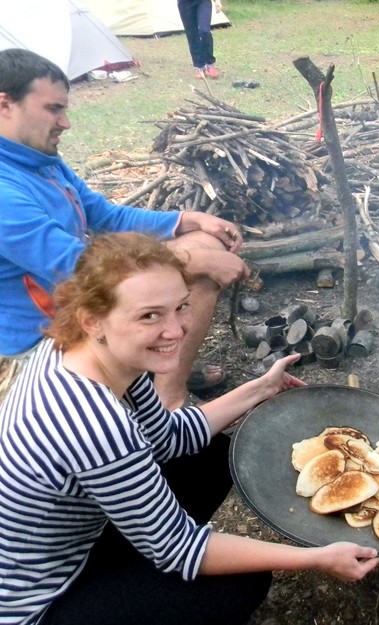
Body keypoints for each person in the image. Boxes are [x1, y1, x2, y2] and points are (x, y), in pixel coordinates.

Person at [0, 232, 379, 625]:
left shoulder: (83, 350)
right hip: (39, 606)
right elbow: (180, 550)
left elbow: (168, 437)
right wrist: (315, 557)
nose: (177, 330)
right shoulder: (94, 425)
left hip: (71, 544)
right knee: (240, 584)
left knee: (209, 455)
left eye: (180, 307)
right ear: (93, 319)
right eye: (150, 315)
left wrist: (260, 388)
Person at [0, 48, 248, 409]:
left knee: (203, 241)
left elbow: (103, 214)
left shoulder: (39, 162)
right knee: (197, 268)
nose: (65, 122)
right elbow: (73, 264)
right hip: (41, 338)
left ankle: (157, 370)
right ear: (4, 105)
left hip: (78, 303)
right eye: (54, 109)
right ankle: (166, 399)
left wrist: (185, 221)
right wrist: (190, 261)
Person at [179, 0, 223, 79]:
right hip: (184, 3)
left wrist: (217, 1)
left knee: (205, 31)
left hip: (203, 2)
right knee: (192, 34)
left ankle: (210, 64)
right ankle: (199, 66)